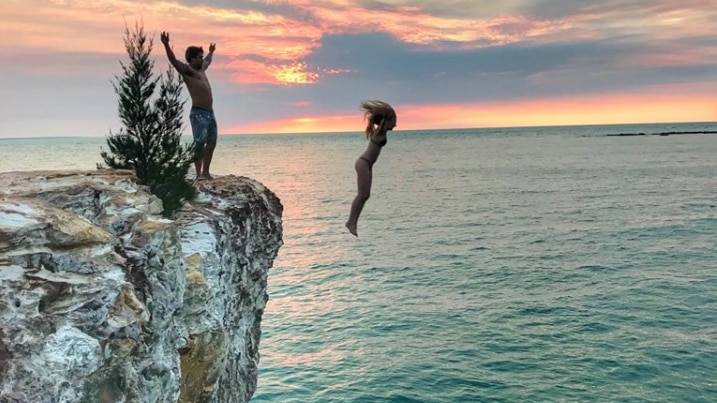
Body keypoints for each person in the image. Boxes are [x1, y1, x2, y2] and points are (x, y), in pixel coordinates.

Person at [160, 31, 218, 180]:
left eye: (202, 56)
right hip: (198, 113)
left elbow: (208, 60)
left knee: (211, 142)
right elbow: (173, 61)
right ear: (192, 59)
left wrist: (211, 52)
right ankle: (199, 175)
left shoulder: (202, 69)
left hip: (210, 113)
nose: (202, 59)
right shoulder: (188, 71)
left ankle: (206, 172)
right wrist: (166, 44)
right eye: (199, 57)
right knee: (199, 144)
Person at [345, 100, 397, 236]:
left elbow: (387, 119)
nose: (395, 124)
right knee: (363, 194)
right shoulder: (379, 132)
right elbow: (385, 118)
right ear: (386, 121)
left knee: (366, 195)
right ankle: (351, 222)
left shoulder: (380, 132)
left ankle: (352, 221)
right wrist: (387, 113)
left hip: (367, 164)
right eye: (394, 121)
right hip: (363, 163)